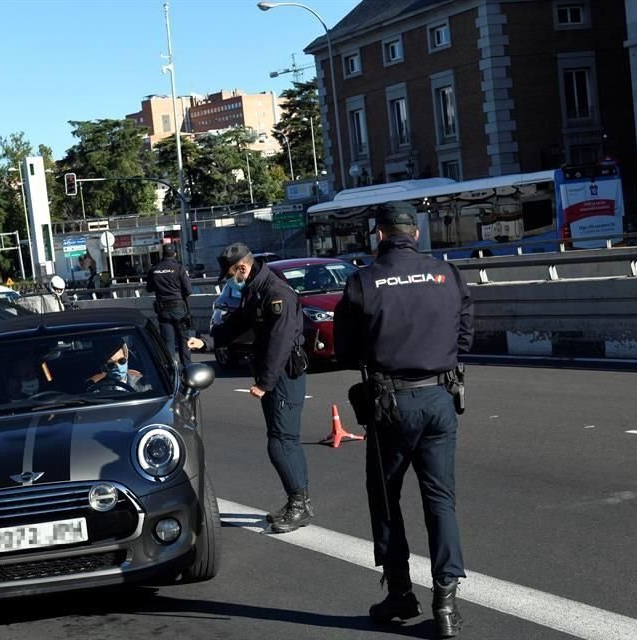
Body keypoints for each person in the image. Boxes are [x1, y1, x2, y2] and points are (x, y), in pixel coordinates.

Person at [334, 201, 473, 638]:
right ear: (415, 233)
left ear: (379, 235)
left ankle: (399, 592)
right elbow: (465, 335)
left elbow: (345, 349)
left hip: (390, 405)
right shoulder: (447, 274)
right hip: (440, 398)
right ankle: (446, 603)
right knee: (441, 501)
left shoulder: (363, 281)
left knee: (386, 498)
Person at [208, 242, 312, 534]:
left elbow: (279, 342)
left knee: (281, 442)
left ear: (242, 267)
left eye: (231, 275)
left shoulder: (275, 293)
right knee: (283, 439)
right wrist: (208, 341)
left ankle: (299, 505)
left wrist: (264, 383)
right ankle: (299, 500)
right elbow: (239, 323)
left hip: (283, 376)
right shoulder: (256, 288)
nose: (232, 280)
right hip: (275, 375)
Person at [146, 246, 193, 367]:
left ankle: (171, 370)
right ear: (175, 254)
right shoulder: (179, 268)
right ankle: (187, 368)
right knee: (184, 340)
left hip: (163, 310)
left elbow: (149, 288)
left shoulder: (154, 269)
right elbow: (188, 290)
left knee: (168, 342)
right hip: (179, 309)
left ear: (163, 254)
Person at [86, 336, 150, 392]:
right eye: (111, 364)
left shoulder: (142, 381)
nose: (118, 366)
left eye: (121, 361)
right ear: (103, 367)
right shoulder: (96, 388)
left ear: (126, 359)